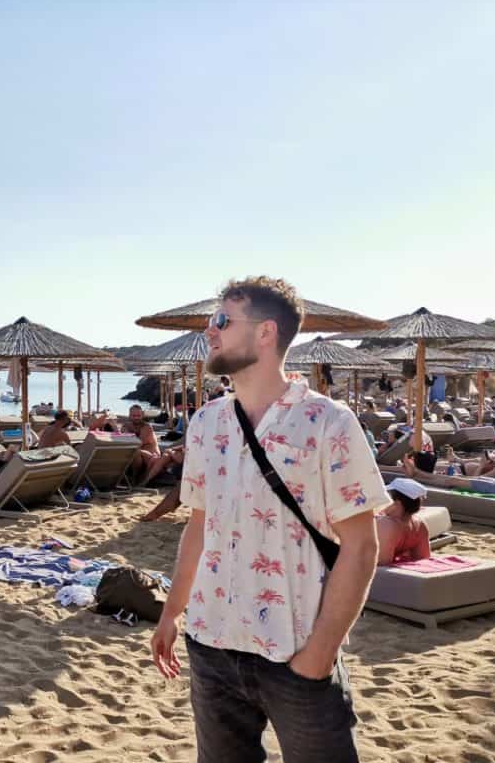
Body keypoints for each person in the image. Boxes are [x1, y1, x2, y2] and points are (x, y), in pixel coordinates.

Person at [150, 276, 385, 763]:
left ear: (265, 332)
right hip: (211, 643)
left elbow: (362, 547)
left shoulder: (329, 422)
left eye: (220, 321)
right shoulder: (205, 423)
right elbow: (199, 527)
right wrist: (172, 612)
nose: (208, 333)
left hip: (296, 649)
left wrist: (320, 654)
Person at [376, 478, 430, 566]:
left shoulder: (386, 524)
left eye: (387, 497)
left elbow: (381, 564)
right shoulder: (420, 525)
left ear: (396, 503)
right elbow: (422, 559)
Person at [121, 405, 159, 479]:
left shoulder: (147, 427)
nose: (136, 418)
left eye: (138, 415)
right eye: (134, 415)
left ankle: (134, 478)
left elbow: (138, 443)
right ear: (129, 415)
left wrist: (120, 430)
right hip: (138, 456)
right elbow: (122, 440)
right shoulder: (127, 425)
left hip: (151, 457)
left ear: (142, 415)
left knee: (136, 452)